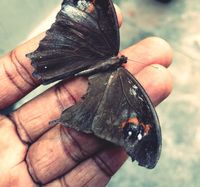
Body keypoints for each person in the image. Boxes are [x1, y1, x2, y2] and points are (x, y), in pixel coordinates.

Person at [0, 11, 173, 187]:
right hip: (80, 61)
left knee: (88, 113)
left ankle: (70, 108)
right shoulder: (127, 82)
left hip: (80, 56)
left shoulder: (118, 66)